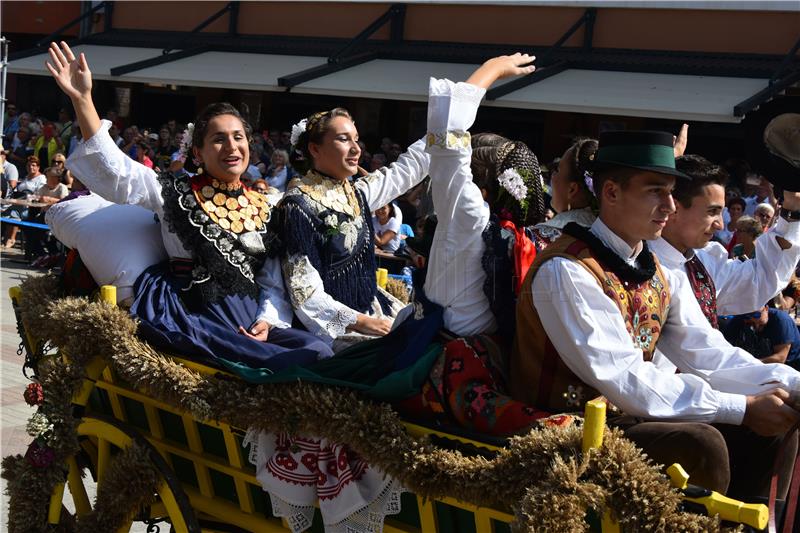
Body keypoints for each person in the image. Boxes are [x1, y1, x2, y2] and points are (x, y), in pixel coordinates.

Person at [510, 128, 800, 502]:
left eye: (671, 192)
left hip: (634, 415)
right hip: (568, 427)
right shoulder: (567, 270)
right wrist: (740, 408)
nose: (669, 205)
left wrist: (789, 385)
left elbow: (707, 354)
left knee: (775, 422)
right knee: (701, 441)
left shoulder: (656, 269)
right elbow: (624, 378)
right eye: (655, 191)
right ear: (611, 192)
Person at [48, 41, 332, 373]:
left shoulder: (265, 205)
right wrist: (83, 100)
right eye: (218, 139)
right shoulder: (173, 192)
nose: (232, 146)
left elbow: (271, 280)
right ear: (197, 153)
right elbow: (117, 172)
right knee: (282, 364)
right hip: (195, 313)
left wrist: (268, 321)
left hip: (252, 317)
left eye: (238, 137)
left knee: (317, 350)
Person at [277, 108, 430, 349]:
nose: (357, 149)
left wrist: (449, 125)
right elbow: (303, 291)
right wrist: (360, 322)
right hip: (333, 326)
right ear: (314, 149)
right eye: (343, 139)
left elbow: (406, 171)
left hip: (372, 306)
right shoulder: (298, 205)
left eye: (356, 139)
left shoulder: (357, 192)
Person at [650, 154, 800, 328]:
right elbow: (692, 344)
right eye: (712, 211)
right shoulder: (640, 264)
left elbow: (759, 280)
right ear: (673, 207)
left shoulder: (703, 262)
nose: (721, 225)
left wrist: (793, 210)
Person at [529, 137, 598, 250]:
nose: (552, 176)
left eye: (557, 170)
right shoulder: (614, 239)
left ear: (572, 190)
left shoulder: (537, 238)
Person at [723, 306, 800, 370]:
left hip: (789, 367)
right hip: (757, 365)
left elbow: (780, 358)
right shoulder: (740, 319)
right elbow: (725, 345)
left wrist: (749, 364)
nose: (753, 319)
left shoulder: (781, 320)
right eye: (747, 316)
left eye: (756, 315)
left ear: (766, 309)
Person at [3, 155, 47, 249]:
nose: (31, 167)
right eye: (29, 165)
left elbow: (39, 194)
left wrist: (28, 197)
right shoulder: (26, 177)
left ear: (38, 167)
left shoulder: (41, 178)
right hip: (19, 202)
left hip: (31, 208)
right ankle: (6, 238)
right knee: (9, 210)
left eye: (33, 165)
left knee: (13, 211)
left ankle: (11, 238)